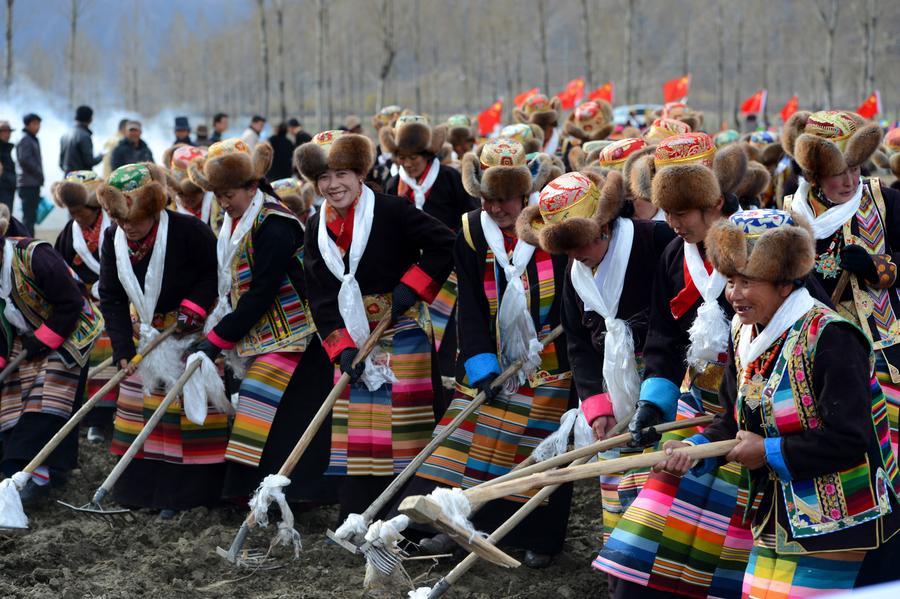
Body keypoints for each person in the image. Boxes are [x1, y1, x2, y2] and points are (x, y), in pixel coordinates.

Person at [657, 208, 900, 594]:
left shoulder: (832, 338)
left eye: (748, 282)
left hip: (843, 526)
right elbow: (734, 418)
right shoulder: (744, 333)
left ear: (785, 284)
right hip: (777, 518)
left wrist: (769, 451)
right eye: (731, 281)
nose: (734, 294)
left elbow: (850, 439)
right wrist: (695, 448)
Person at [593, 137, 756, 598]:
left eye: (683, 212)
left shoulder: (755, 244)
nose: (672, 224)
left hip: (748, 408)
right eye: (666, 211)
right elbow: (664, 340)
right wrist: (652, 404)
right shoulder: (673, 255)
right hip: (696, 400)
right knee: (651, 502)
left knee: (723, 527)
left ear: (715, 202)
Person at [412, 140, 574, 568]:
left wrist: (554, 336)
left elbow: (575, 289)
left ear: (524, 195)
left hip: (549, 360)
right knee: (465, 449)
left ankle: (538, 539)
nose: (497, 208)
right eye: (488, 199)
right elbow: (467, 299)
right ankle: (456, 529)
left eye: (504, 199)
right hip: (491, 357)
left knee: (538, 453)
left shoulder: (554, 223)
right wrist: (480, 363)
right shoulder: (469, 230)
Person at [297, 130, 454, 522]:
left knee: (404, 427)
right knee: (358, 429)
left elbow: (444, 244)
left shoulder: (392, 210)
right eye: (323, 178)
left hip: (401, 330)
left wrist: (410, 287)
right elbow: (318, 294)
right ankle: (359, 513)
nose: (333, 186)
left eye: (341, 174)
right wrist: (340, 346)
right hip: (353, 337)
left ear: (360, 173)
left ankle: (412, 516)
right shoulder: (316, 225)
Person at [520, 171, 675, 559]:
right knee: (621, 484)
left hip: (669, 378)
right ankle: (625, 563)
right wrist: (596, 406)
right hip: (613, 386)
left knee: (667, 486)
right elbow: (579, 344)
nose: (575, 256)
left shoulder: (654, 240)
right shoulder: (575, 274)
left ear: (604, 225)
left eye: (581, 244)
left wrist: (657, 390)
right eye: (567, 249)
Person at [184, 138, 337, 503]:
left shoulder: (275, 223)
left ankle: (292, 495)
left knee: (270, 411)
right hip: (262, 334)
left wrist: (217, 339)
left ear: (252, 186)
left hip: (296, 335)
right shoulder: (237, 219)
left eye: (228, 194)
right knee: (263, 413)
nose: (222, 202)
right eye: (218, 195)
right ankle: (253, 493)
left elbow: (262, 291)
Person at [97, 162, 223, 517]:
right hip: (146, 335)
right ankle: (143, 492)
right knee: (141, 412)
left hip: (188, 331)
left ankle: (187, 496)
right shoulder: (114, 239)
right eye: (120, 220)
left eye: (134, 219)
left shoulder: (189, 230)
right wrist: (122, 349)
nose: (127, 227)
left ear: (154, 209)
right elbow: (111, 295)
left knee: (185, 417)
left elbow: (213, 273)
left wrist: (195, 306)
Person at [782, 110, 900, 472]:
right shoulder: (791, 212)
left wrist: (877, 267)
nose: (850, 181)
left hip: (881, 348)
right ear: (815, 174)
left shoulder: (885, 201)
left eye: (855, 169)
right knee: (842, 447)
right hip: (820, 349)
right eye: (838, 173)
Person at [0, 203, 103, 505]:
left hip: (72, 328)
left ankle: (27, 472)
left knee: (48, 399)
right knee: (9, 396)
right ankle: (46, 469)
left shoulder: (34, 255)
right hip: (27, 333)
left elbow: (71, 302)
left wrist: (43, 341)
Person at [381, 115, 479, 404]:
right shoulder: (392, 184)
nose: (408, 164)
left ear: (427, 155)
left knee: (448, 335)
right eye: (402, 158)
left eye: (413, 158)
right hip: (413, 271)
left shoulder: (450, 178)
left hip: (452, 268)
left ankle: (448, 389)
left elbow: (469, 218)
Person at [51, 171, 117, 444]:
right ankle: (83, 414)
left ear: (95, 206)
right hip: (84, 306)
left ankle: (101, 418)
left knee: (106, 345)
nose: (76, 217)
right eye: (72, 212)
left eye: (80, 211)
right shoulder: (69, 235)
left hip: (121, 304)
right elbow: (60, 272)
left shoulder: (117, 226)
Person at [161, 144, 219, 232]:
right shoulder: (168, 208)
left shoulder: (218, 204)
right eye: (181, 194)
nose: (186, 199)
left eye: (193, 193)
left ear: (203, 189)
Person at [16, 113, 43, 236]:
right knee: (28, 218)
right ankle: (27, 243)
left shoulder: (31, 138)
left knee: (31, 217)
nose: (38, 127)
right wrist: (38, 173)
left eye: (39, 124)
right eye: (35, 124)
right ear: (27, 125)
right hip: (27, 184)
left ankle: (29, 241)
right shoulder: (25, 139)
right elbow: (24, 160)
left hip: (32, 182)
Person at [59, 105, 102, 173]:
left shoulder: (65, 135)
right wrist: (101, 156)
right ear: (90, 119)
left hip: (67, 178)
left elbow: (61, 164)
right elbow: (89, 162)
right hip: (81, 180)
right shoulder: (85, 136)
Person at [0, 120, 16, 211]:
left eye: (9, 131)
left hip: (9, 187)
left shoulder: (7, 148)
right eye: (4, 131)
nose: (7, 134)